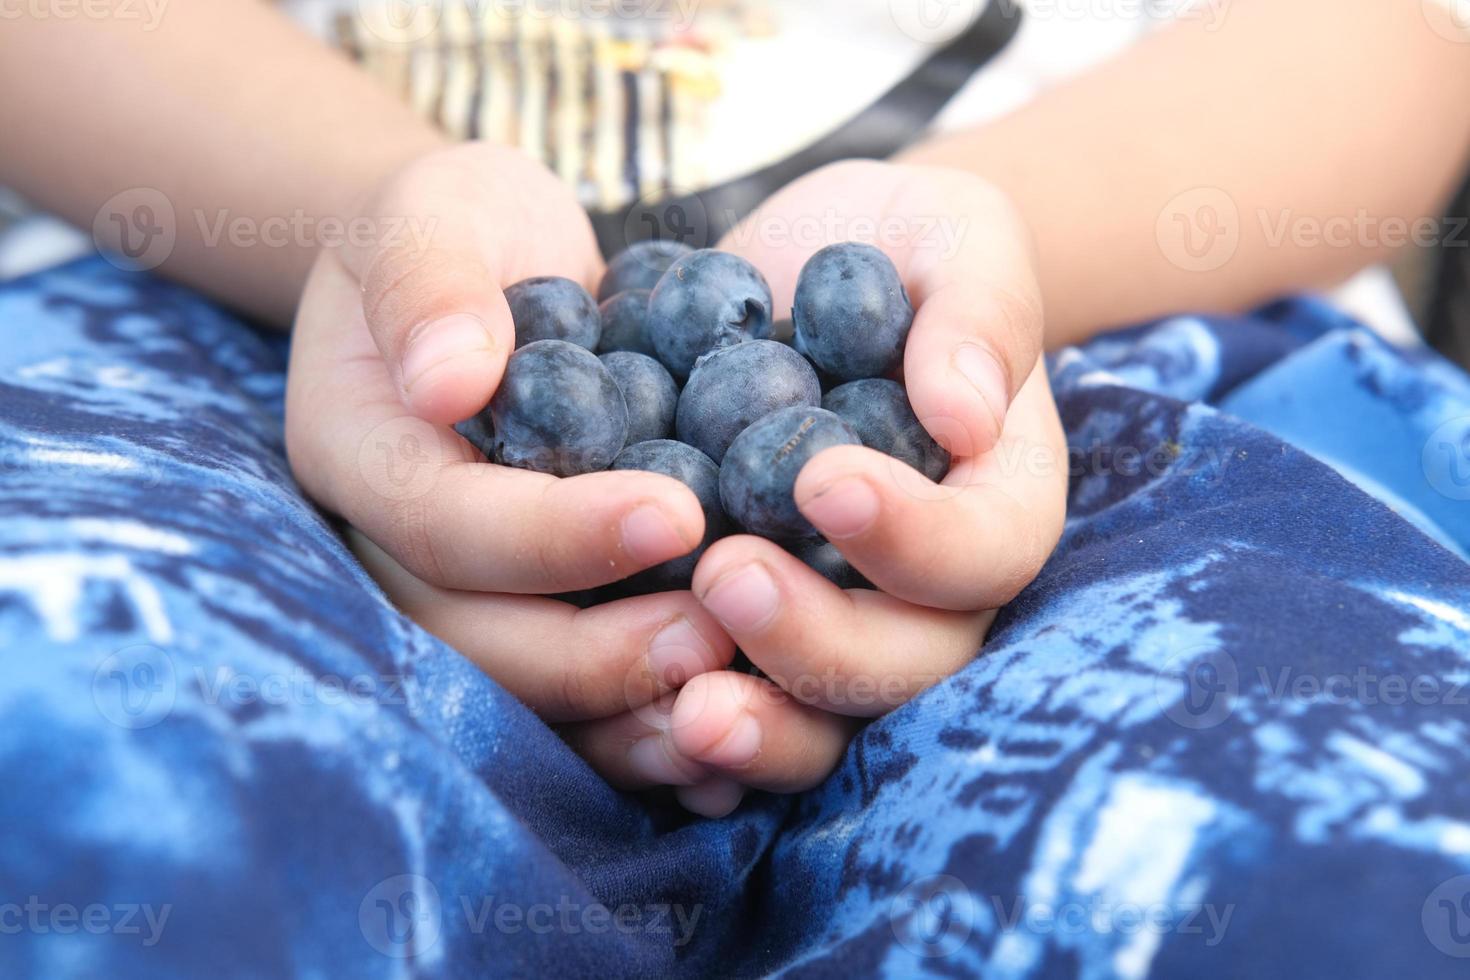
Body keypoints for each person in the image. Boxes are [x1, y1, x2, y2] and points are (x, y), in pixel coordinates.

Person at [3, 1, 1470, 976]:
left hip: (1117, 334)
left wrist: (980, 264)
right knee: (80, 768)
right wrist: (364, 231)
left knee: (1326, 860)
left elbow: (1390, 35)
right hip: (213, 324)